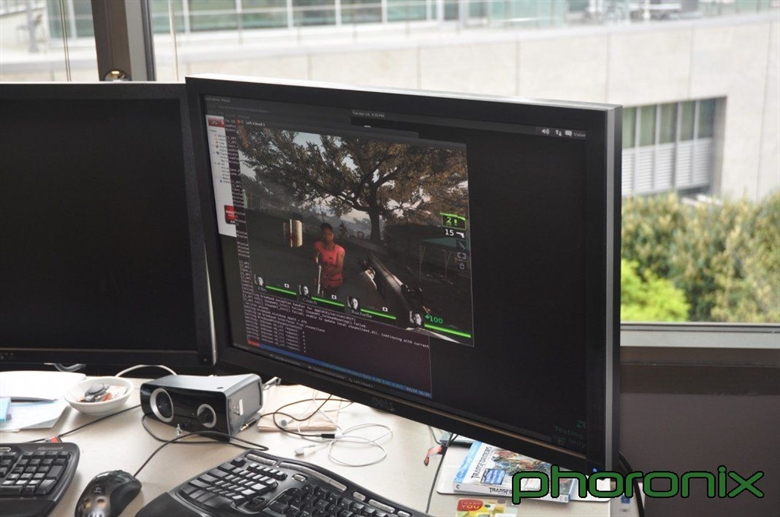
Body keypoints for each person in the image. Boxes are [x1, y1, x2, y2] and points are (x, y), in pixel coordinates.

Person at [313, 223, 345, 296]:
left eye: (329, 234)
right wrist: (317, 276)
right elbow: (315, 262)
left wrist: (326, 278)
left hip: (334, 282)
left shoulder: (339, 250)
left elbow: (339, 268)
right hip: (321, 279)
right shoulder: (318, 245)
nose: (326, 237)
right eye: (324, 234)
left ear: (333, 235)